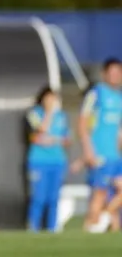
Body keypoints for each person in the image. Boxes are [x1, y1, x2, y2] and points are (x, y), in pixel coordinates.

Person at [80, 58, 122, 232]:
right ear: (104, 74)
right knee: (100, 194)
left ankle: (100, 220)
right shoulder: (96, 94)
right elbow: (82, 122)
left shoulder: (119, 97)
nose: (115, 76)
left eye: (118, 72)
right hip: (99, 154)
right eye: (111, 72)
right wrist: (88, 151)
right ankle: (90, 227)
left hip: (116, 155)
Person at [25, 86, 75, 232]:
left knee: (54, 199)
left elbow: (67, 139)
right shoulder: (35, 114)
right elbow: (38, 132)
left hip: (58, 161)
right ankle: (33, 228)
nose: (52, 101)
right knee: (38, 198)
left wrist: (54, 140)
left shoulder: (62, 116)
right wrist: (48, 113)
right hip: (39, 162)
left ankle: (52, 229)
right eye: (49, 98)